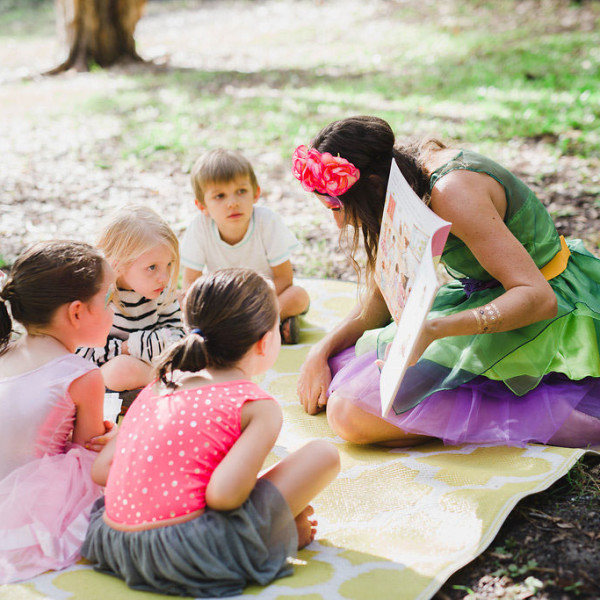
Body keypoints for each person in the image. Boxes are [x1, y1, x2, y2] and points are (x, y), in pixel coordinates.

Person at [293, 115, 600, 448]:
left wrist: (435, 330)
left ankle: (538, 413)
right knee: (341, 368)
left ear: (372, 182)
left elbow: (538, 298)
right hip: (484, 294)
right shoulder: (401, 181)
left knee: (350, 415)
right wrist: (320, 352)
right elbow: (381, 298)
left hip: (541, 309)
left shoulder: (452, 192)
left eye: (335, 205)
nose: (338, 223)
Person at [82, 268, 340, 597]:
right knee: (324, 454)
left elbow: (102, 470)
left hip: (113, 541)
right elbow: (223, 496)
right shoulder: (257, 405)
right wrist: (278, 523)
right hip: (188, 553)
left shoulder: (162, 383)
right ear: (265, 342)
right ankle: (272, 538)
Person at [0, 241, 117, 583]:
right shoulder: (81, 375)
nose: (116, 310)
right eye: (109, 300)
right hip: (26, 503)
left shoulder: (4, 352)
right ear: (77, 312)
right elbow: (87, 458)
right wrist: (117, 439)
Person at [180, 148, 310, 344]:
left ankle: (254, 327)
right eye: (220, 196)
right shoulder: (200, 228)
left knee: (299, 296)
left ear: (255, 193)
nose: (233, 203)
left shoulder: (267, 222)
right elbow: (191, 282)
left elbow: (284, 278)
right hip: (225, 301)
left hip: (265, 298)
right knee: (182, 299)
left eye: (241, 191)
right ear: (202, 206)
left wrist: (251, 305)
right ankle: (269, 328)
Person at [77, 205, 184, 392]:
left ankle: (168, 386)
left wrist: (141, 346)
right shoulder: (100, 298)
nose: (164, 277)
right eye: (152, 267)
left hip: (155, 370)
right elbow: (82, 352)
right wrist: (129, 347)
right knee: (122, 370)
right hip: (107, 386)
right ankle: (172, 387)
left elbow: (177, 337)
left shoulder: (161, 291)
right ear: (119, 263)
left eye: (168, 265)